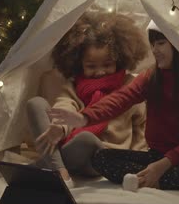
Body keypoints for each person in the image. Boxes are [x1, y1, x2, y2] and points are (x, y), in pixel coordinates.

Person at [49, 21, 179, 190]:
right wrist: (84, 117)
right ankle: (150, 178)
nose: (155, 50)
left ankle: (153, 180)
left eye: (160, 43)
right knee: (101, 158)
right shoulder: (151, 76)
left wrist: (163, 165)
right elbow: (121, 99)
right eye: (152, 44)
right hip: (155, 155)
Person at [27, 12, 149, 187]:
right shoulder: (74, 86)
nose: (100, 72)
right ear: (78, 63)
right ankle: (60, 172)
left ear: (120, 59)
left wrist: (135, 162)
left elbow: (141, 128)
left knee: (87, 138)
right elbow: (65, 107)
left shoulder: (130, 86)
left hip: (105, 158)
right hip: (70, 149)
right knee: (35, 104)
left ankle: (41, 166)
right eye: (91, 66)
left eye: (107, 64)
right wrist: (60, 128)